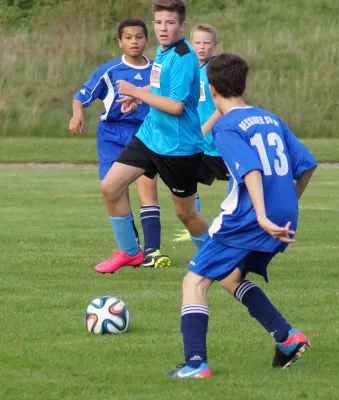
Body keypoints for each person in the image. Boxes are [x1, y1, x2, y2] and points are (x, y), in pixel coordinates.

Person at [168, 54, 317, 378]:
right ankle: (286, 336)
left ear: (210, 89)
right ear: (245, 85)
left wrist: (262, 215)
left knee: (194, 281)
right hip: (284, 213)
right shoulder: (270, 118)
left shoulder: (227, 125)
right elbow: (307, 164)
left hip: (249, 217)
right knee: (230, 277)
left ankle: (196, 364)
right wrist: (286, 205)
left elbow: (250, 168)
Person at [93, 0, 209, 274]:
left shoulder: (182, 56)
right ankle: (130, 253)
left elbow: (175, 106)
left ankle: (217, 256)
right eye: (158, 22)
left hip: (179, 147)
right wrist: (140, 95)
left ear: (182, 26)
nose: (163, 28)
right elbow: (159, 86)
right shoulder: (164, 50)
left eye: (170, 23)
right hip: (150, 136)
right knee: (111, 187)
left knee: (185, 213)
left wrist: (136, 92)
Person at [69, 18, 170, 271]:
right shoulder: (110, 70)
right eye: (128, 38)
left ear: (147, 40)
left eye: (139, 37)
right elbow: (81, 96)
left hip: (145, 133)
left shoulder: (158, 69)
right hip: (112, 135)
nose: (134, 42)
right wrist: (77, 113)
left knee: (147, 187)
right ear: (120, 42)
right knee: (115, 189)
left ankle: (153, 251)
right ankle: (131, 248)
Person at [172, 23, 229, 243]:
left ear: (215, 46)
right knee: (186, 182)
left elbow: (223, 106)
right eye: (197, 43)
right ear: (190, 42)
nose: (202, 47)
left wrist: (204, 129)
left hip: (220, 142)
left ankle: (239, 224)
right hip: (197, 144)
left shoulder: (216, 71)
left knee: (241, 183)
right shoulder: (186, 68)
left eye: (207, 43)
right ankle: (193, 226)